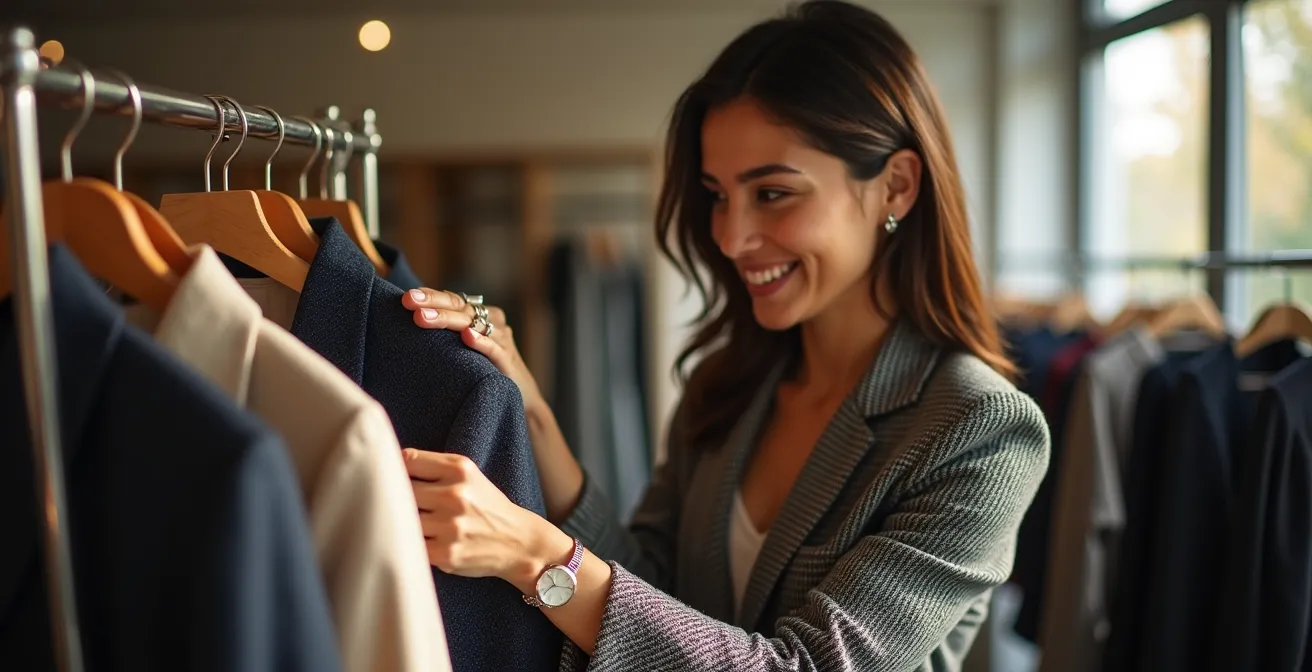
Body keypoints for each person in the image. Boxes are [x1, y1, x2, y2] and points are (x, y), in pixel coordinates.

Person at [397, 1, 1050, 669]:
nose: (732, 238)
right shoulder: (731, 382)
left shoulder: (980, 429)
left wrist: (537, 557)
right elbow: (650, 586)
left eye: (773, 193)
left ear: (897, 186)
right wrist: (530, 407)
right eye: (717, 195)